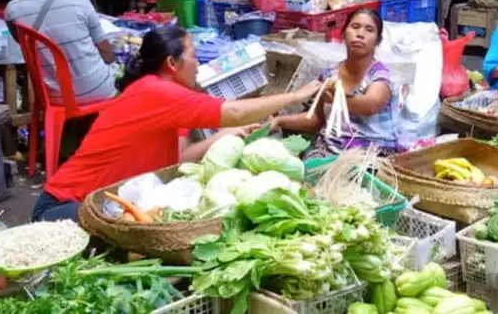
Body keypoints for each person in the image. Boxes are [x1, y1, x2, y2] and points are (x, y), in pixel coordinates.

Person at [32, 26, 322, 222]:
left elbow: (179, 157)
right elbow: (233, 111)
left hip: (101, 206)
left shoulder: (168, 98)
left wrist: (225, 135)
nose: (197, 63)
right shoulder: (158, 92)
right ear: (172, 63)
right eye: (194, 56)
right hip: (64, 207)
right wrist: (296, 95)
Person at [271, 9, 402, 159]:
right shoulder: (329, 75)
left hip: (371, 154)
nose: (360, 34)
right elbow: (317, 119)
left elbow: (370, 105)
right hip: (330, 150)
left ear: (377, 40)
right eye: (355, 27)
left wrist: (336, 98)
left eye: (369, 30)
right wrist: (278, 121)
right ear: (343, 34)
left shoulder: (379, 75)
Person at [5, 0, 116, 105]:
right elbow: (105, 50)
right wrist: (114, 63)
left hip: (53, 97)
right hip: (97, 89)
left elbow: (26, 45)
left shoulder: (12, 10)